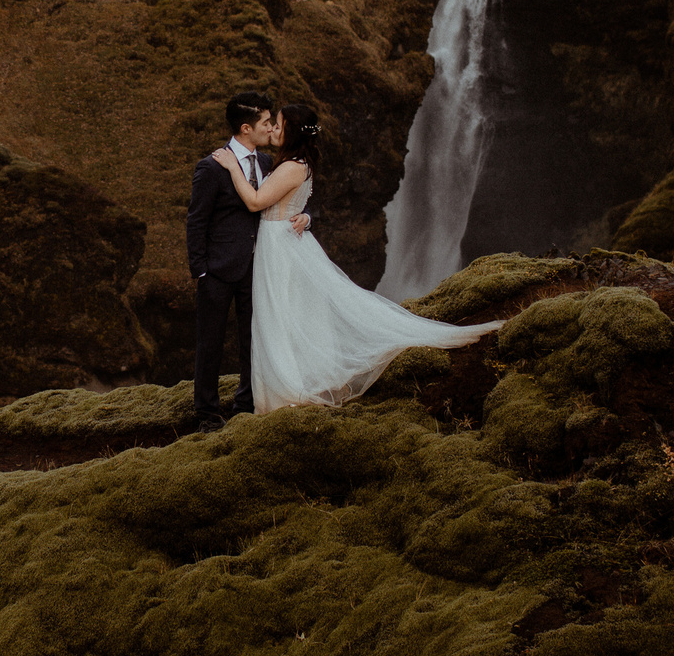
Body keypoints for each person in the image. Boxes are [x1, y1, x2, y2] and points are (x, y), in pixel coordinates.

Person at [210, 101, 497, 411]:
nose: (273, 130)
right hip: (283, 241)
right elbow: (289, 202)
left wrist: (231, 167)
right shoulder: (295, 163)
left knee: (280, 314)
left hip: (280, 244)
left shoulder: (292, 166)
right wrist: (306, 217)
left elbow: (255, 202)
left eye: (278, 125)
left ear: (291, 131)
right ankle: (290, 383)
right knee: (287, 313)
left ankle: (289, 389)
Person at [185, 93, 280, 428]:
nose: (271, 128)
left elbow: (283, 201)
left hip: (257, 267)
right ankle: (207, 413)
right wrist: (201, 268)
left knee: (253, 338)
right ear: (245, 128)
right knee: (209, 342)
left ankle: (246, 403)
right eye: (266, 123)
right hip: (218, 269)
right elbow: (197, 220)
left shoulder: (268, 164)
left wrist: (305, 218)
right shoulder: (211, 166)